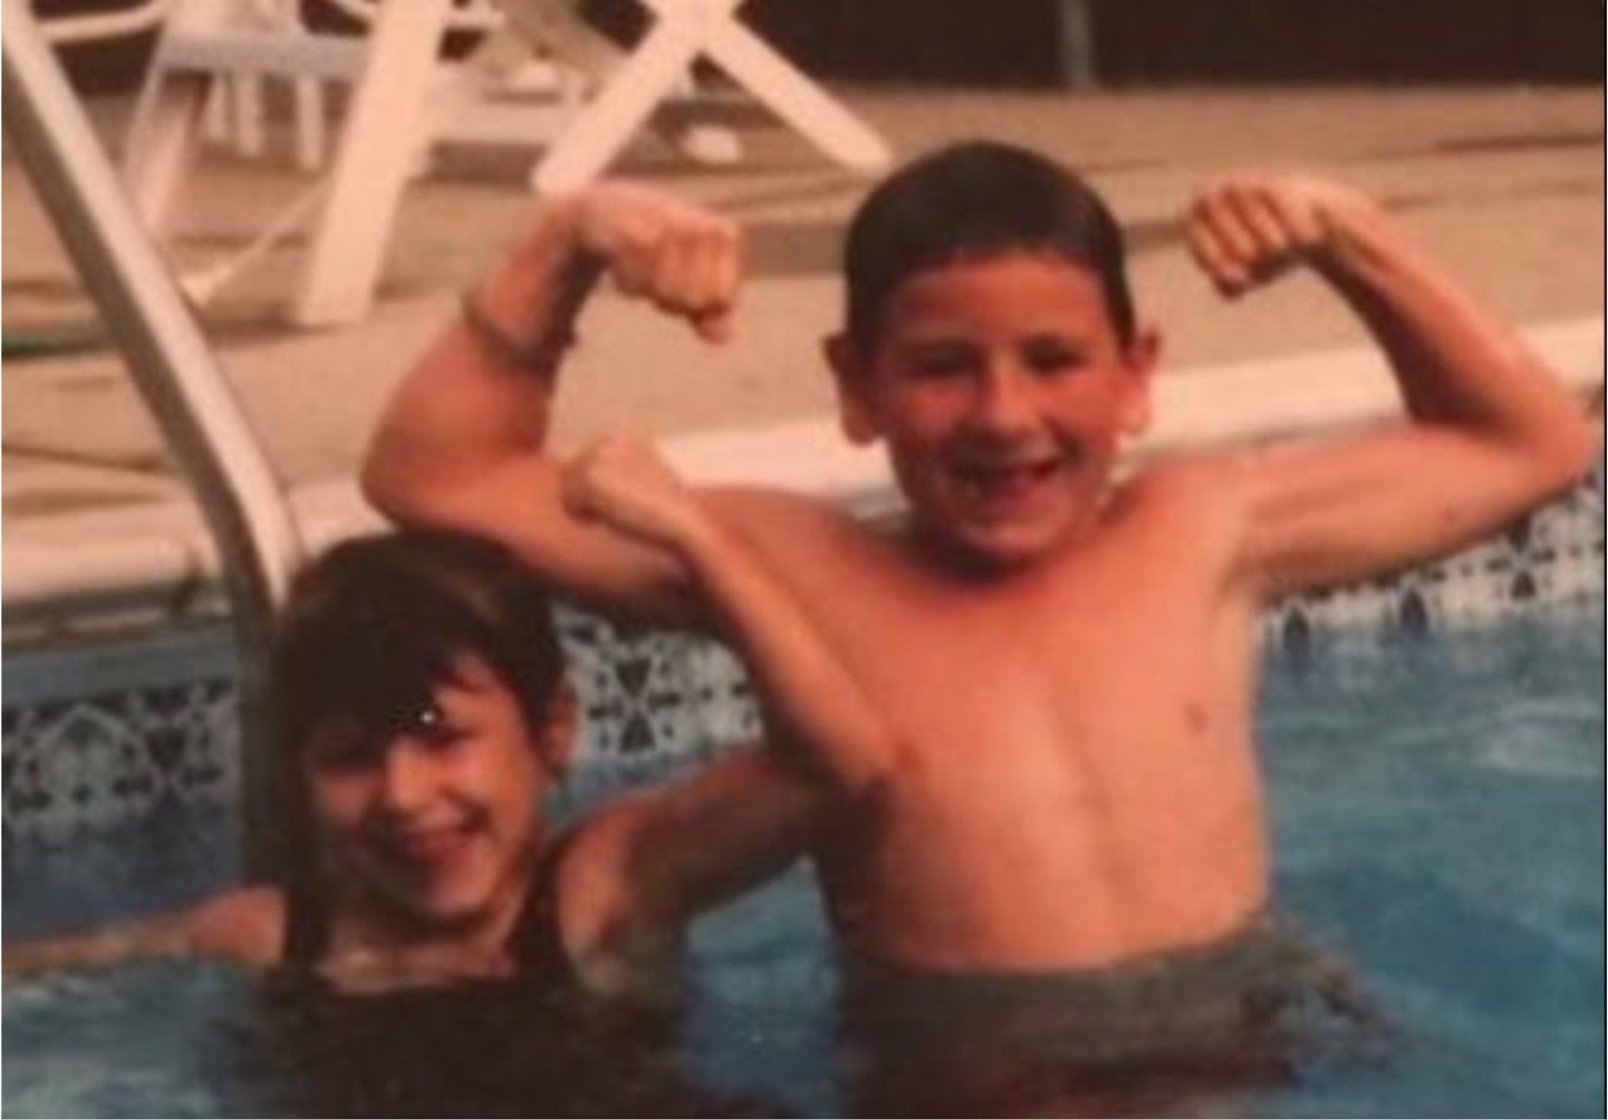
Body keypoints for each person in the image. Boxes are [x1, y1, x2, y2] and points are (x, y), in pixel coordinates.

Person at [360, 143, 1599, 1109]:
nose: (1003, 415)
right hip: (960, 1078)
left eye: (1055, 359)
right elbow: (436, 475)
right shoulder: (789, 564)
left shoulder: (1206, 529)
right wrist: (566, 242)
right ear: (857, 388)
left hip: (1247, 1033)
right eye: (944, 366)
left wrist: (1351, 234)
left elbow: (1535, 443)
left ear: (1137, 372)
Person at [3, 529, 817, 1004]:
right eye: (350, 757)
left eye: (443, 737)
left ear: (554, 728)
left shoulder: (604, 890)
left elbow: (830, 761)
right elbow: (64, 965)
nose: (402, 794)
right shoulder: (276, 938)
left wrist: (698, 546)